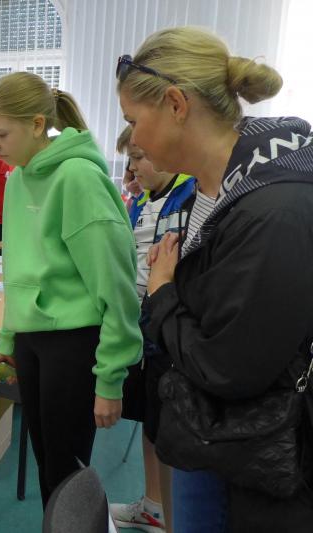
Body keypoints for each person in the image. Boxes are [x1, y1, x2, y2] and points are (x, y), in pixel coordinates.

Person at [118, 26, 313, 532]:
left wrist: (162, 294)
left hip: (258, 453)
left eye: (134, 121)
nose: (133, 139)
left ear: (176, 104)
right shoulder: (212, 188)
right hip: (208, 427)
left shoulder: (274, 210)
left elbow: (228, 367)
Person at [0, 71, 143, 510]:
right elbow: (19, 269)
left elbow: (117, 287)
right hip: (34, 341)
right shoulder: (18, 178)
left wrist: (110, 378)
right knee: (47, 465)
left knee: (68, 474)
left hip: (74, 344)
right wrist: (9, 340)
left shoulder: (78, 178)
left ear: (37, 124)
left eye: (1, 134)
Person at [111, 126, 196, 533]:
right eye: (130, 159)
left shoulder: (192, 194)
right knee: (150, 424)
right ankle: (153, 507)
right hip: (144, 334)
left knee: (171, 435)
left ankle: (173, 517)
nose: (133, 168)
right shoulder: (143, 200)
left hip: (171, 335)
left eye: (140, 157)